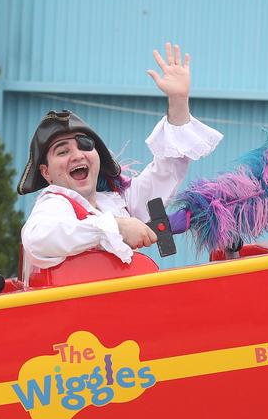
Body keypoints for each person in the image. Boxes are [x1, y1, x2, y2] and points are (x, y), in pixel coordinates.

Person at [19, 43, 223, 275]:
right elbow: (37, 237)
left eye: (84, 144)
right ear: (46, 172)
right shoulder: (55, 204)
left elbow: (166, 171)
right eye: (62, 151)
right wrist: (117, 227)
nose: (77, 154)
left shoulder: (114, 202)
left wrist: (178, 100)